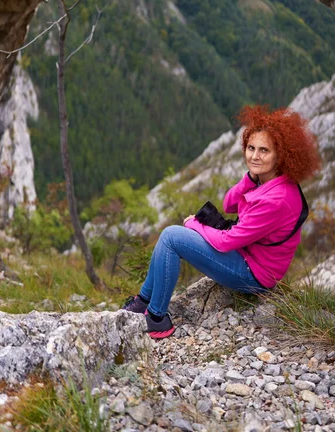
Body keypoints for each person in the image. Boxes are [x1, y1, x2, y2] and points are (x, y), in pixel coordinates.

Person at [123, 105, 321, 339]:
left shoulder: (277, 199)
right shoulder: (268, 180)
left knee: (171, 237)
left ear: (281, 154)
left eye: (264, 150)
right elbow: (228, 204)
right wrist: (250, 177)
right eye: (251, 148)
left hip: (254, 274)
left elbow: (227, 242)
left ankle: (156, 318)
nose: (255, 156)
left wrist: (196, 225)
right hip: (246, 255)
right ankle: (143, 302)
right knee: (170, 237)